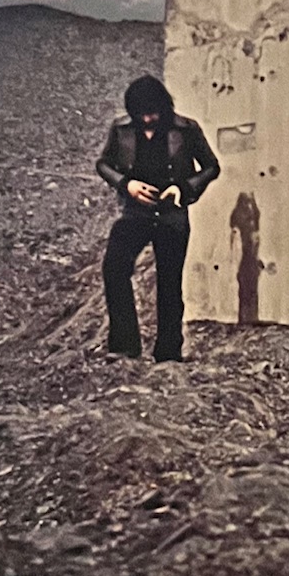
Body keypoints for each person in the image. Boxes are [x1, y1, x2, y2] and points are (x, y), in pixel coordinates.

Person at [96, 75, 220, 362]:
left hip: (171, 215)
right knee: (114, 268)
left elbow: (212, 167)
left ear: (164, 108)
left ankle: (168, 353)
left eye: (152, 113)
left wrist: (183, 189)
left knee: (169, 282)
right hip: (134, 213)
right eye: (140, 114)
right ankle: (124, 346)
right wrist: (126, 184)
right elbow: (103, 164)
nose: (147, 119)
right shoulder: (121, 129)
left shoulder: (187, 129)